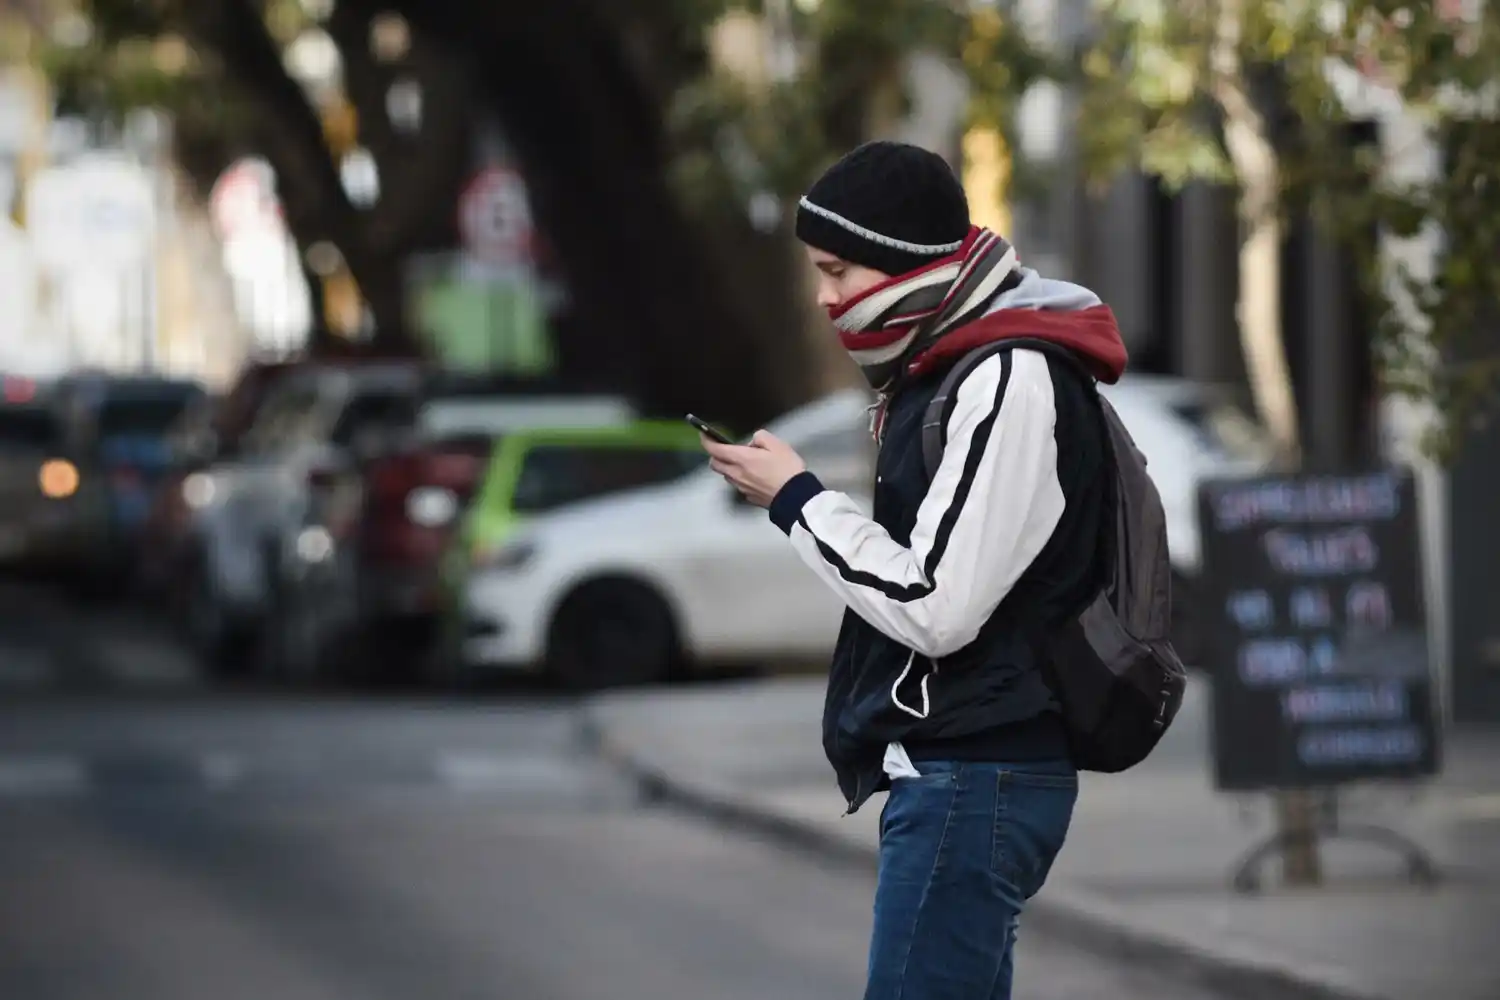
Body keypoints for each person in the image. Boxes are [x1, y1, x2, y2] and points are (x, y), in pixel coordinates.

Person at [700, 140, 1129, 1000]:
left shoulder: (1008, 375)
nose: (823, 297)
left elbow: (938, 606)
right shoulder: (954, 364)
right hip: (966, 772)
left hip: (978, 774)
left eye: (837, 270)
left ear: (902, 263)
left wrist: (798, 500)